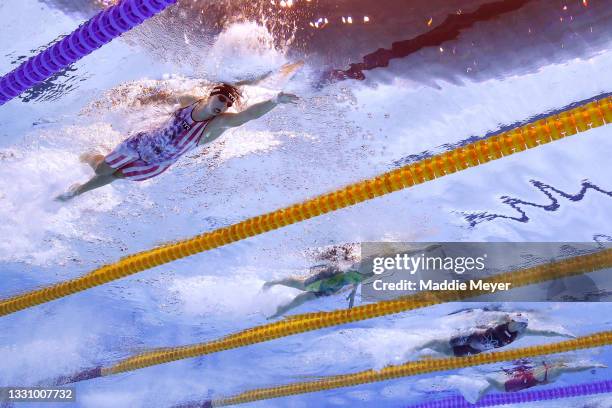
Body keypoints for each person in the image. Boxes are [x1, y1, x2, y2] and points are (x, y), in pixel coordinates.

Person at [55, 63, 301, 201]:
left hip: (156, 164)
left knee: (114, 176)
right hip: (140, 143)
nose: (224, 104)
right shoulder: (190, 101)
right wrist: (139, 98)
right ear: (210, 94)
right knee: (101, 169)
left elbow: (247, 115)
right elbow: (165, 95)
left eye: (227, 103)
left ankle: (76, 191)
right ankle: (89, 154)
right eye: (222, 97)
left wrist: (275, 100)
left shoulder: (215, 125)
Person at [418, 313, 574, 357]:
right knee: (438, 341)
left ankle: (420, 354)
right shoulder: (502, 319)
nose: (514, 322)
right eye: (514, 320)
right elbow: (484, 315)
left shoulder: (520, 334)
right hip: (471, 335)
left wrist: (563, 334)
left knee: (446, 352)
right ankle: (415, 348)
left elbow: (546, 333)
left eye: (518, 322)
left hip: (475, 350)